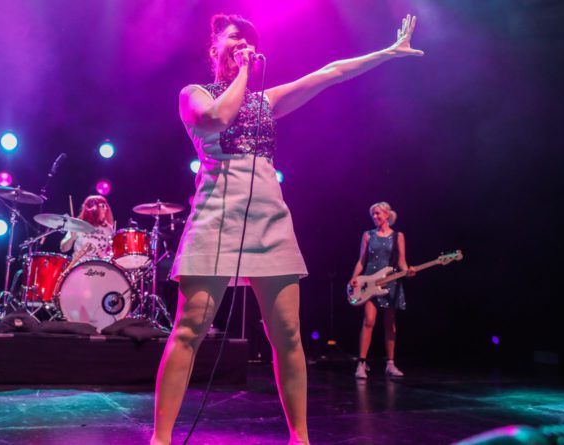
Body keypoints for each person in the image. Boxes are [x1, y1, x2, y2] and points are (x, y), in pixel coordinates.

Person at [152, 13, 423, 445]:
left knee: (288, 335)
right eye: (234, 37)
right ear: (214, 48)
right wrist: (243, 72)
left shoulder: (267, 100)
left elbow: (329, 74)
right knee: (189, 329)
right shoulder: (194, 94)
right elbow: (218, 120)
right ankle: (161, 439)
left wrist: (387, 53)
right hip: (215, 217)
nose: (243, 44)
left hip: (269, 219)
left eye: (250, 41)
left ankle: (301, 438)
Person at [349, 202, 415, 379]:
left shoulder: (398, 236)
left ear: (387, 214)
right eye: (373, 215)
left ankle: (390, 364)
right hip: (369, 282)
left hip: (390, 283)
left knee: (390, 323)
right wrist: (354, 277)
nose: (375, 217)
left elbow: (402, 262)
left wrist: (407, 271)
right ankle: (361, 363)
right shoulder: (368, 235)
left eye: (378, 214)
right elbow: (361, 260)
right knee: (369, 320)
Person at [59, 195, 115, 263]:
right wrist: (72, 238)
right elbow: (63, 249)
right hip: (79, 265)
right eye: (102, 206)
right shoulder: (78, 225)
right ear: (92, 208)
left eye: (106, 206)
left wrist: (105, 256)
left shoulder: (109, 229)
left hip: (100, 267)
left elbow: (112, 253)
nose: (105, 208)